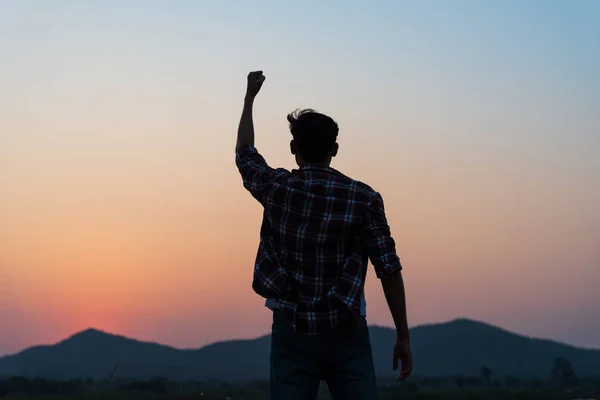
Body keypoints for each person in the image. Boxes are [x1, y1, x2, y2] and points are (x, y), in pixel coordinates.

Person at [235, 71, 412, 400]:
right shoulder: (364, 199)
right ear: (335, 148)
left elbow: (244, 151)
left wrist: (249, 99)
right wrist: (403, 335)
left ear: (293, 147)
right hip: (346, 332)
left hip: (291, 329)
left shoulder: (277, 188)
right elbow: (388, 267)